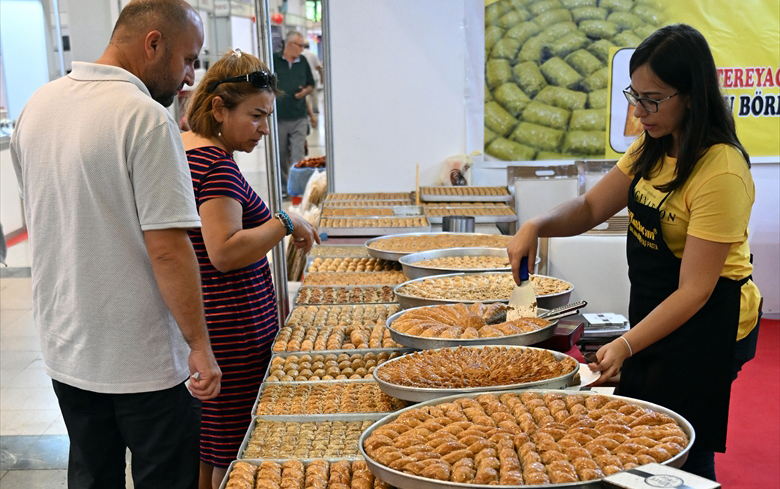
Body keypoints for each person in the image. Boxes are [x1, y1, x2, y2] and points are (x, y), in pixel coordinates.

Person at [507, 24, 761, 481]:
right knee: (646, 430)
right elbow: (589, 207)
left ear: (691, 95)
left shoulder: (721, 171)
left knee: (684, 443)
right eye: (634, 94)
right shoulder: (654, 143)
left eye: (653, 99)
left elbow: (696, 290)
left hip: (710, 322)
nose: (638, 110)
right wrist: (536, 225)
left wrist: (625, 344)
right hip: (658, 307)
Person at [10, 0, 222, 487]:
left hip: (68, 350)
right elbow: (168, 248)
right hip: (143, 364)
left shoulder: (37, 106)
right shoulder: (144, 117)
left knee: (91, 474)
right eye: (188, 59)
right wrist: (199, 345)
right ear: (153, 43)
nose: (190, 76)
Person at [181, 49, 320, 489]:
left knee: (211, 445)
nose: (264, 128)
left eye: (268, 116)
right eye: (256, 116)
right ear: (219, 108)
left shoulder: (186, 149)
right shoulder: (217, 165)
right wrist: (284, 221)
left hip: (210, 322)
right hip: (233, 329)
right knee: (235, 451)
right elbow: (223, 251)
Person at [274, 30, 315, 195]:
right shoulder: (274, 60)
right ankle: (284, 187)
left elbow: (311, 84)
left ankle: (297, 189)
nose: (302, 48)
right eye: (300, 45)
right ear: (290, 45)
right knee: (281, 153)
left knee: (298, 155)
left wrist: (304, 92)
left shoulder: (303, 61)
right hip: (279, 117)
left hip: (299, 116)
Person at [301, 41, 323, 113]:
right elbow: (319, 67)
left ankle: (307, 110)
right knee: (314, 95)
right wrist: (321, 77)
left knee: (305, 94)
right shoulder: (313, 54)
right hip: (313, 77)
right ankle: (315, 109)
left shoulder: (300, 55)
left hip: (304, 78)